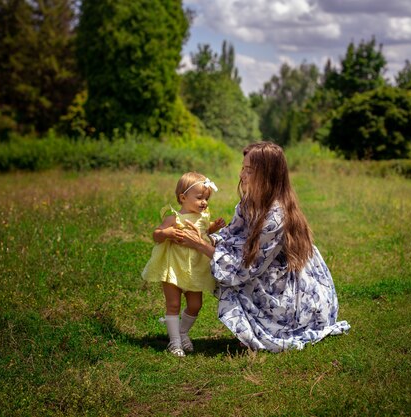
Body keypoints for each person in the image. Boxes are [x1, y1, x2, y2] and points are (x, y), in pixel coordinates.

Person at [179, 141, 350, 352]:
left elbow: (245, 269)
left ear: (267, 175)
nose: (242, 175)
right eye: (243, 168)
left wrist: (201, 246)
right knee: (224, 265)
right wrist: (205, 237)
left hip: (288, 286)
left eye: (249, 171)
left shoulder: (276, 215)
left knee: (232, 278)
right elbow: (233, 236)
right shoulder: (249, 202)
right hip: (266, 269)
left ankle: (264, 325)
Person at [142, 172, 226, 357]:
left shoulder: (203, 216)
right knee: (173, 304)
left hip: (194, 269)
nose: (204, 202)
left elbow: (205, 229)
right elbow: (156, 235)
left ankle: (182, 332)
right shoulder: (174, 219)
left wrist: (214, 227)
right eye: (199, 198)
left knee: (195, 305)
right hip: (174, 267)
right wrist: (167, 233)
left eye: (207, 198)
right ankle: (174, 343)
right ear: (183, 197)